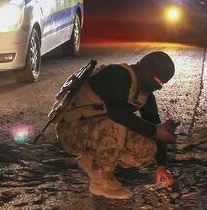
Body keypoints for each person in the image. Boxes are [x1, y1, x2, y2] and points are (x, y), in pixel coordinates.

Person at [56, 51, 179, 199]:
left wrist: (161, 165)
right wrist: (155, 130)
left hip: (97, 133)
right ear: (146, 71)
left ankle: (100, 162)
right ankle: (100, 177)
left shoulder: (145, 95)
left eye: (162, 84)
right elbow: (117, 113)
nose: (159, 87)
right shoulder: (117, 74)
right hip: (70, 132)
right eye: (158, 82)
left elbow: (156, 126)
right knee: (118, 123)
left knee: (148, 147)